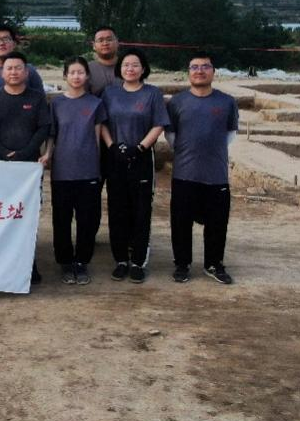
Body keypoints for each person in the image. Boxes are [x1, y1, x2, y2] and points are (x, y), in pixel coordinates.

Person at [166, 53, 239, 285]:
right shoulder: (176, 102)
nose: (200, 71)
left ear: (213, 71)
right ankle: (182, 264)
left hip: (216, 175)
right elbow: (171, 136)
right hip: (184, 173)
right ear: (188, 72)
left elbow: (230, 134)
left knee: (217, 223)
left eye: (205, 67)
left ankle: (214, 263)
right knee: (181, 222)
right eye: (194, 67)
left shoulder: (227, 102)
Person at [0, 51, 51, 284]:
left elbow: (43, 128)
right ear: (2, 73)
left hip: (28, 168)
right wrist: (3, 152)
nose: (13, 72)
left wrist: (26, 152)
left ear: (26, 72)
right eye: (9, 68)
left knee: (27, 216)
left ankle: (28, 264)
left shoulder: (37, 98)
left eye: (18, 68)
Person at [101, 48, 170, 283]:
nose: (130, 69)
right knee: (117, 209)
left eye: (135, 65)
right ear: (119, 68)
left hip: (141, 158)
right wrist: (112, 146)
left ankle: (138, 261)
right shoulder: (110, 93)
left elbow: (158, 124)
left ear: (143, 69)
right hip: (115, 158)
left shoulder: (152, 94)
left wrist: (140, 148)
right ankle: (121, 259)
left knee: (141, 210)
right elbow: (102, 123)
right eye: (126, 65)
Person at [41, 57, 106, 285]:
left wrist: (98, 165)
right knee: (62, 219)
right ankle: (65, 262)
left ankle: (82, 262)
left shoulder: (96, 104)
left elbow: (97, 137)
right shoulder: (56, 104)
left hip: (88, 170)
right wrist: (48, 155)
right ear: (65, 76)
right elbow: (52, 135)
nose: (76, 77)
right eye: (72, 73)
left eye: (81, 72)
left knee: (87, 219)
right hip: (62, 170)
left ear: (87, 76)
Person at [88, 26, 121, 96]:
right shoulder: (86, 69)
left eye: (109, 39)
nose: (105, 43)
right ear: (94, 45)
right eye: (100, 40)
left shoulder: (129, 67)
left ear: (117, 42)